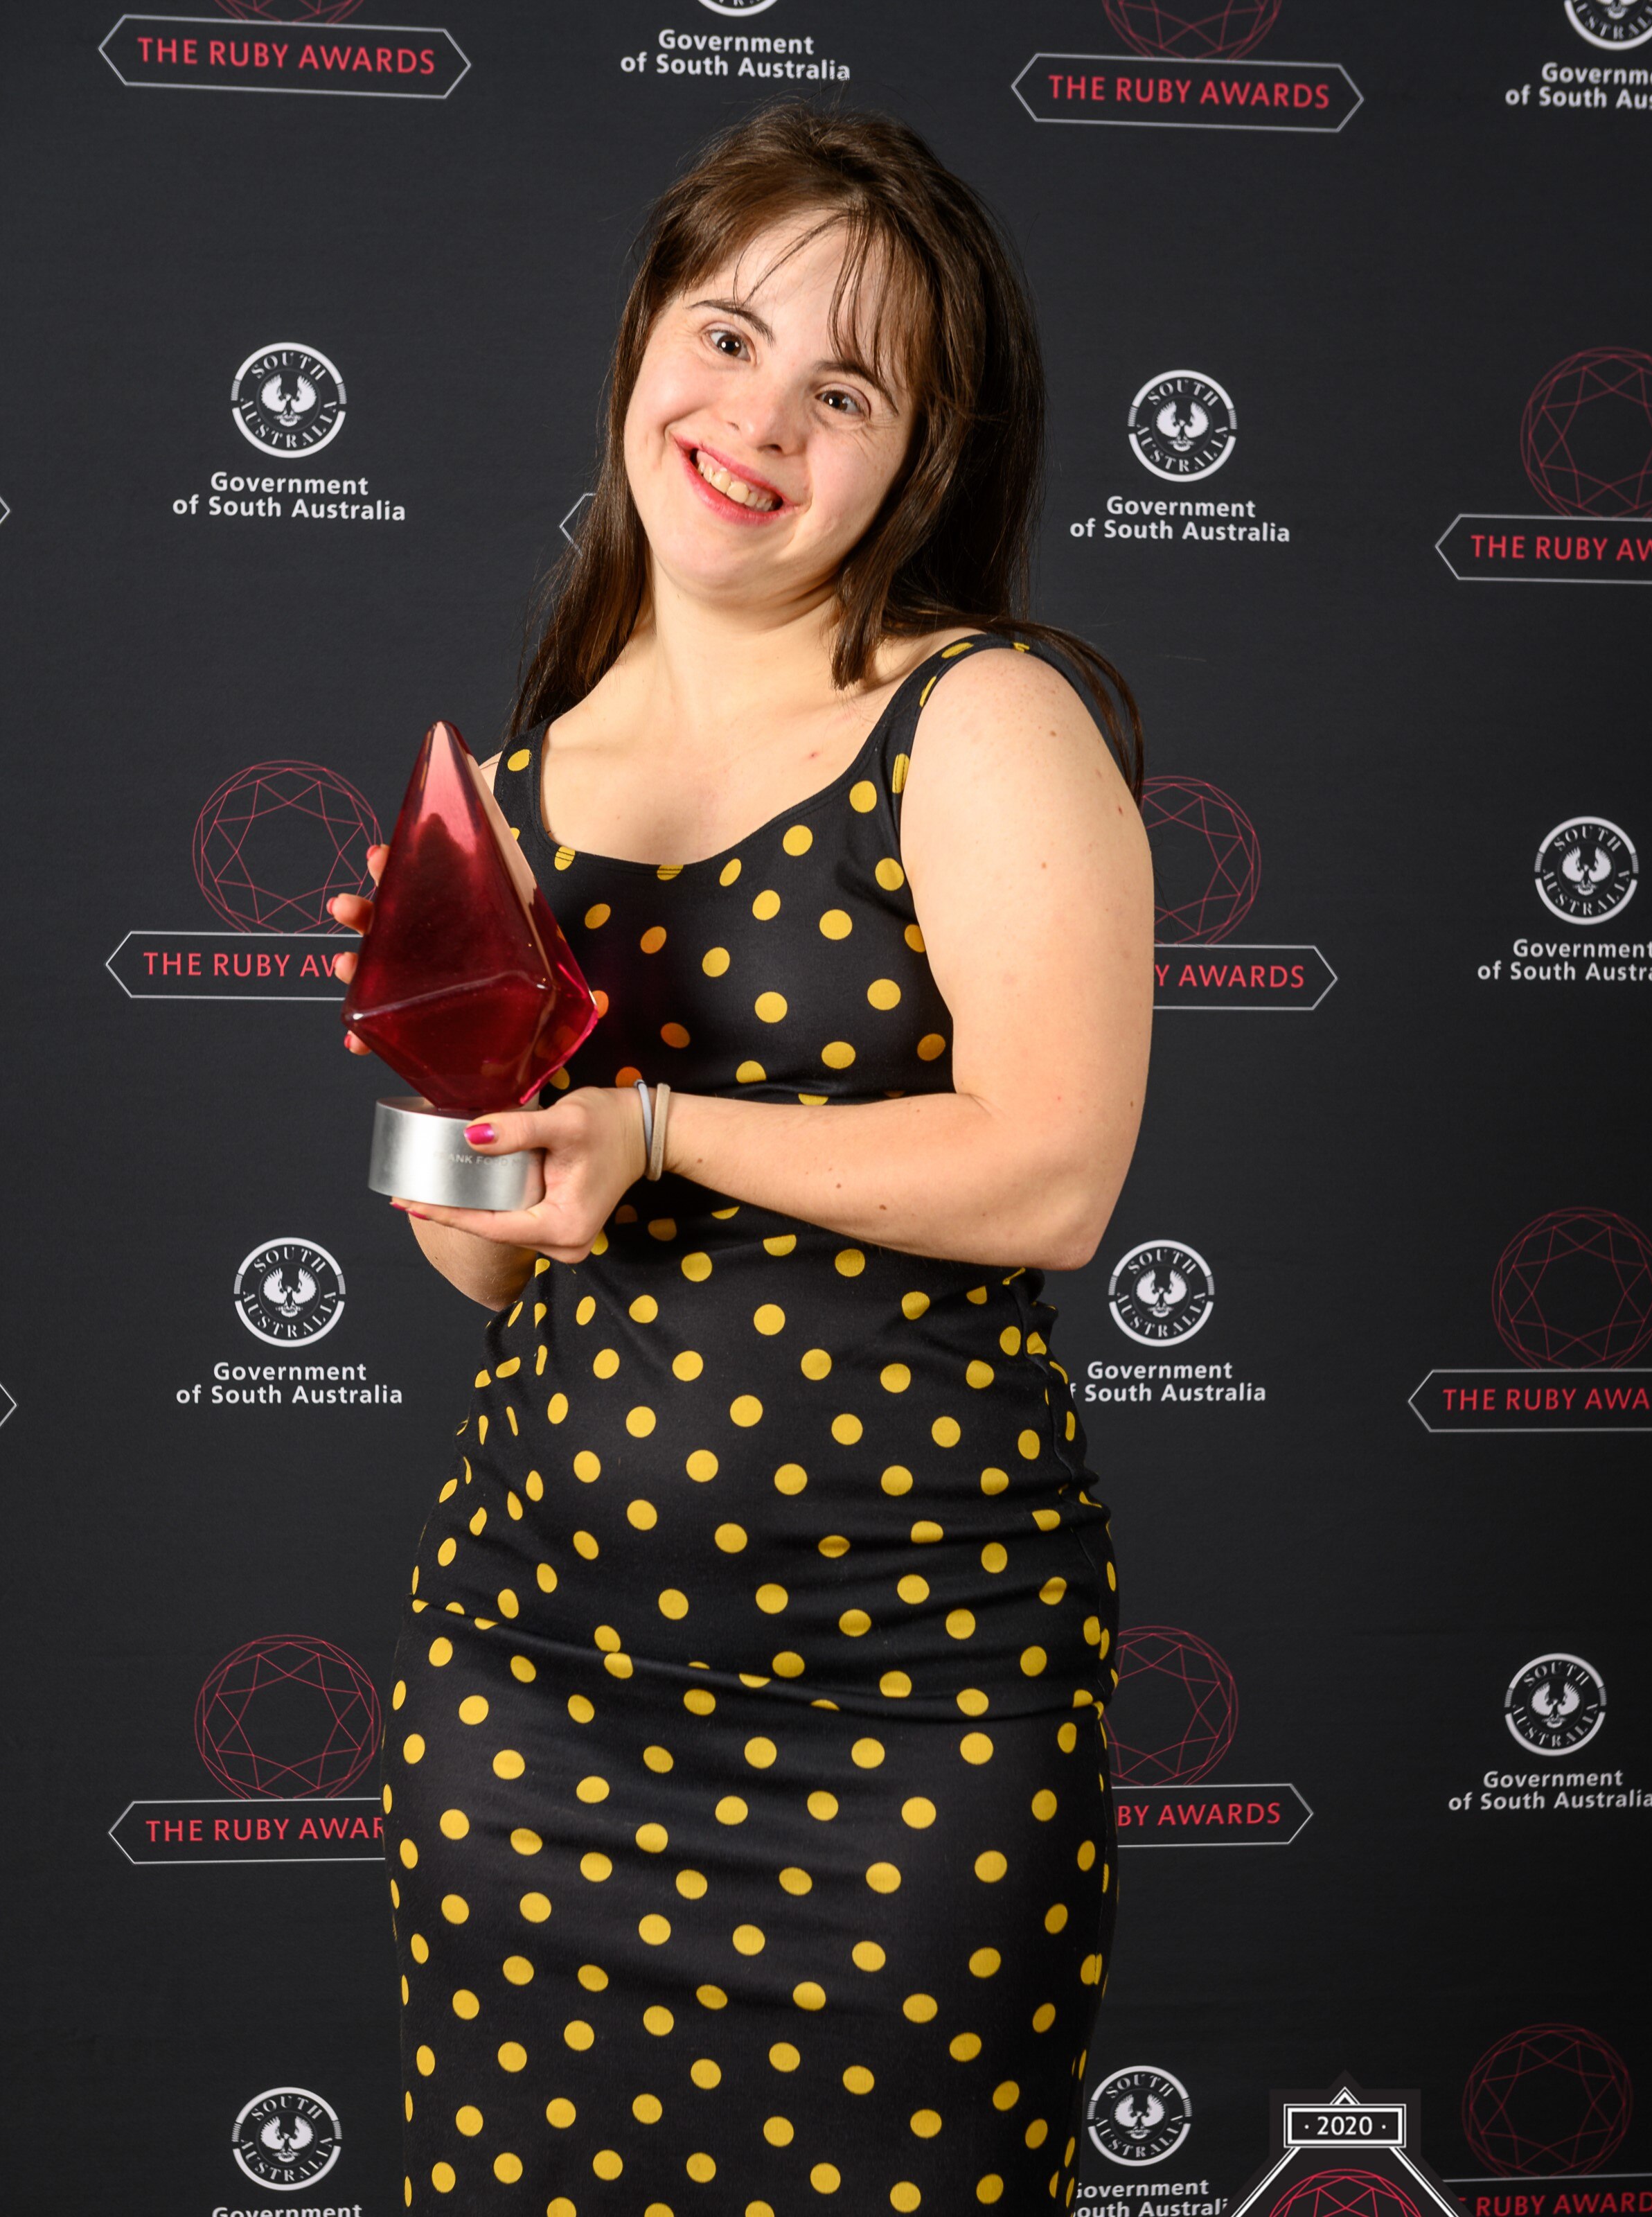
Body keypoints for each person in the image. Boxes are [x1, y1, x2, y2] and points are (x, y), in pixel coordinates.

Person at [332, 100, 1152, 2217]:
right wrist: (447, 1081)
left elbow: (1056, 1175)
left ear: (921, 457)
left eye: (843, 387)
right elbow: (500, 1262)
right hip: (531, 1692)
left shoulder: (978, 715)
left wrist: (662, 1124)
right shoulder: (525, 771)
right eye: (724, 336)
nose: (756, 417)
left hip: (910, 1717)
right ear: (638, 349)